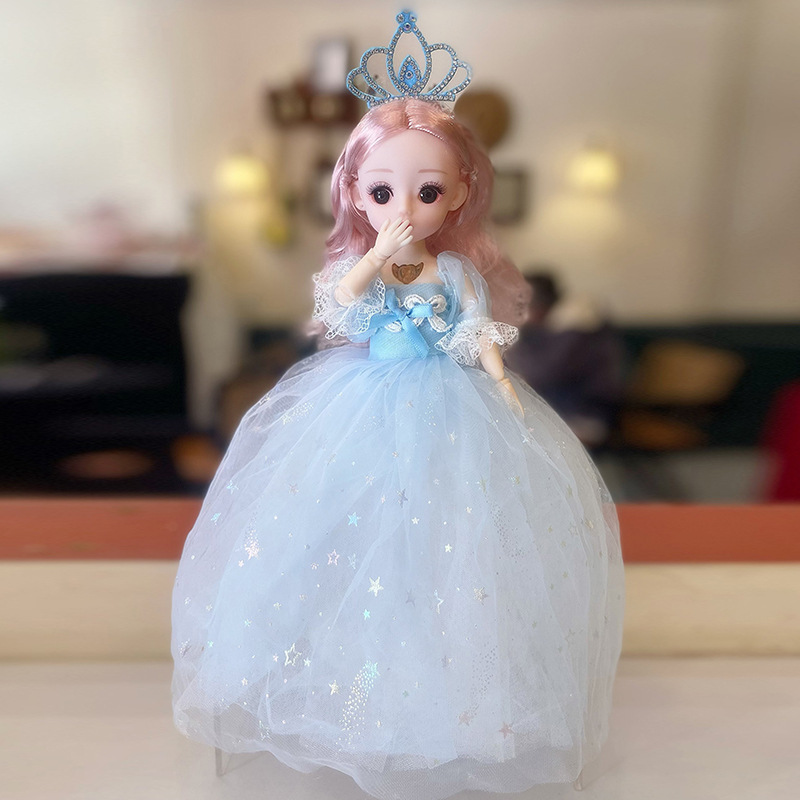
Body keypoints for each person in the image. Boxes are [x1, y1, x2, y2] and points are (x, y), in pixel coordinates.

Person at [172, 12, 624, 800]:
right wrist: (377, 252)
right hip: (362, 402)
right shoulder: (368, 263)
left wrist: (500, 379)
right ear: (354, 190)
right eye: (382, 190)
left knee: (452, 548)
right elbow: (339, 308)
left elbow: (474, 328)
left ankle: (450, 705)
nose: (405, 206)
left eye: (427, 190)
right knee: (346, 541)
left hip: (451, 406)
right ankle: (349, 700)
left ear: (459, 195)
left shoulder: (455, 272)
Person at [506, 271, 625, 448]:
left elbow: (539, 374)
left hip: (584, 417)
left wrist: (513, 341)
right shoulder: (556, 329)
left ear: (537, 305)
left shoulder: (576, 330)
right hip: (566, 409)